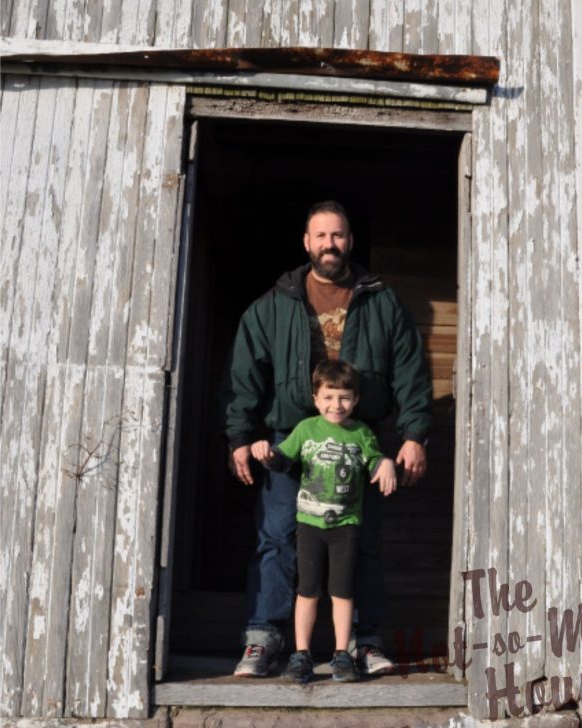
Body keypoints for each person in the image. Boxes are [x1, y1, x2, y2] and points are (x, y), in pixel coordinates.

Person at [225, 199, 432, 678]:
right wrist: (240, 436)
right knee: (277, 539)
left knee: (360, 542)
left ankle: (362, 641)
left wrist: (414, 433)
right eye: (321, 236)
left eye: (337, 236)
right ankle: (264, 639)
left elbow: (410, 372)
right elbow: (244, 376)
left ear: (350, 241)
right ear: (306, 243)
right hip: (289, 441)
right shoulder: (274, 305)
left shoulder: (382, 302)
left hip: (359, 441)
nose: (330, 245)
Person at [250, 360, 398, 683]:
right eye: (329, 397)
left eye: (344, 397)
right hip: (310, 525)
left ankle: (342, 655)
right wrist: (265, 452)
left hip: (345, 526)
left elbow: (374, 462)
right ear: (316, 398)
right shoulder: (305, 429)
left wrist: (384, 463)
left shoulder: (361, 433)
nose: (337, 405)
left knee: (342, 592)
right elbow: (282, 458)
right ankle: (301, 654)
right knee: (308, 590)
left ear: (356, 399)